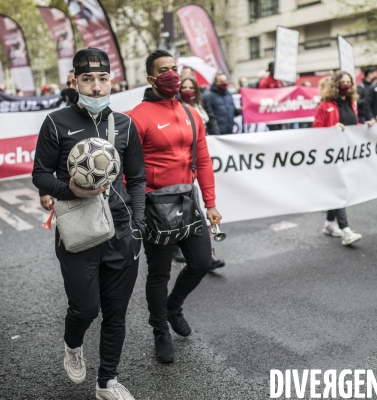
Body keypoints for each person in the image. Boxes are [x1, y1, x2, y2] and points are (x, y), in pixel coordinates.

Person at [32, 48, 145, 400]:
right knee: (85, 309)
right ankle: (73, 344)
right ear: (75, 81)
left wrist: (138, 224)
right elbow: (39, 174)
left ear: (112, 80)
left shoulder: (125, 124)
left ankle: (106, 381)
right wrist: (71, 189)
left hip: (122, 232)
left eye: (102, 79)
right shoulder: (55, 122)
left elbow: (138, 178)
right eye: (87, 79)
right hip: (78, 231)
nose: (96, 87)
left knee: (115, 312)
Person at [128, 50, 222, 364]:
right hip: (156, 205)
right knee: (159, 274)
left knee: (201, 262)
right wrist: (137, 210)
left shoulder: (192, 114)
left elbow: (204, 161)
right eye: (163, 70)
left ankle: (173, 307)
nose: (171, 74)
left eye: (173, 68)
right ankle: (160, 332)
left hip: (188, 200)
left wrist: (210, 203)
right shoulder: (136, 117)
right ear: (150, 78)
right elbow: (129, 171)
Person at [313, 72, 371, 246]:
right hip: (331, 155)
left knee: (338, 189)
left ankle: (329, 224)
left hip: (347, 154)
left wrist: (366, 127)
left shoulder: (352, 104)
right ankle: (345, 230)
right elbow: (316, 128)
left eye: (349, 82)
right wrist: (332, 128)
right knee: (340, 189)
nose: (346, 84)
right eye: (343, 82)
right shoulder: (325, 106)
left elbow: (353, 127)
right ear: (336, 85)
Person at [178, 76, 225, 269]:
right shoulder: (177, 110)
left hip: (203, 164)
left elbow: (211, 124)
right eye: (184, 87)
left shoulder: (200, 107)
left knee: (207, 209)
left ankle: (208, 253)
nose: (188, 90)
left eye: (191, 87)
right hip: (187, 169)